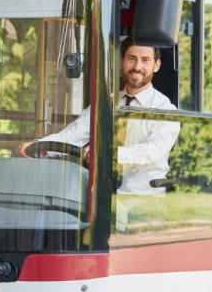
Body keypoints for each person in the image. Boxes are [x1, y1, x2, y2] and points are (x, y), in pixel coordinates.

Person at [17, 37, 180, 195]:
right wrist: (39, 145)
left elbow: (152, 151)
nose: (137, 66)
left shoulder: (165, 109)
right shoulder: (105, 103)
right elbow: (72, 135)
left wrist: (106, 154)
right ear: (121, 62)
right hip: (100, 201)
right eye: (131, 58)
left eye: (145, 60)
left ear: (156, 65)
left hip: (141, 203)